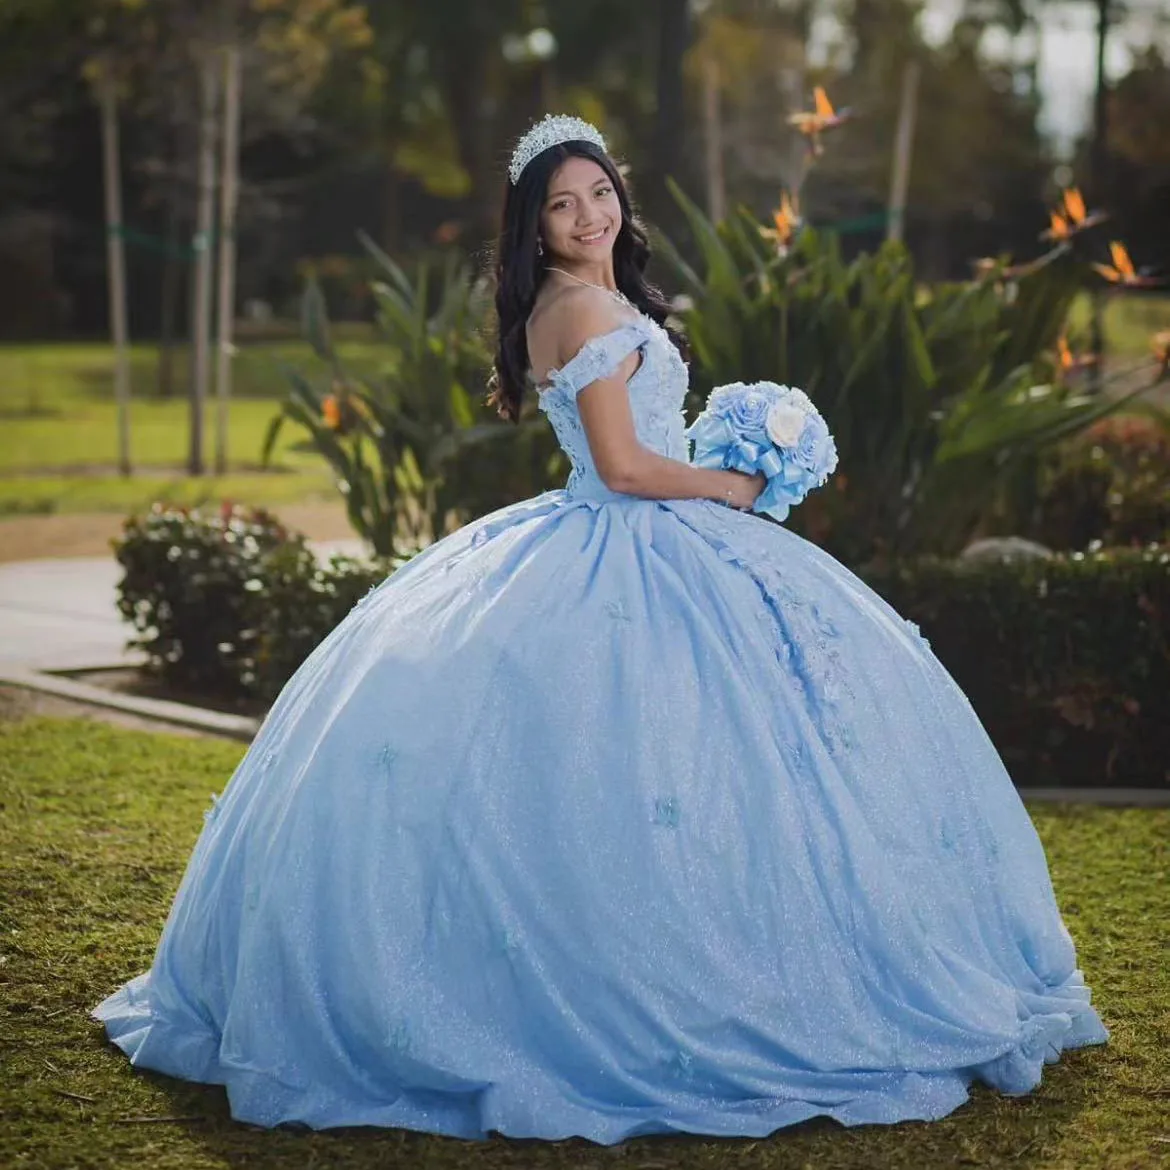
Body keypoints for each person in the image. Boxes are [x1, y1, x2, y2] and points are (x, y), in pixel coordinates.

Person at [92, 113, 1108, 1145]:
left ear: (621, 199)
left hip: (632, 532)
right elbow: (623, 468)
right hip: (634, 530)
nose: (586, 215)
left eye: (599, 193)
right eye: (560, 205)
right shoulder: (581, 310)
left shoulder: (589, 302)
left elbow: (631, 445)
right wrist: (733, 483)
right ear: (534, 229)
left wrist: (726, 452)